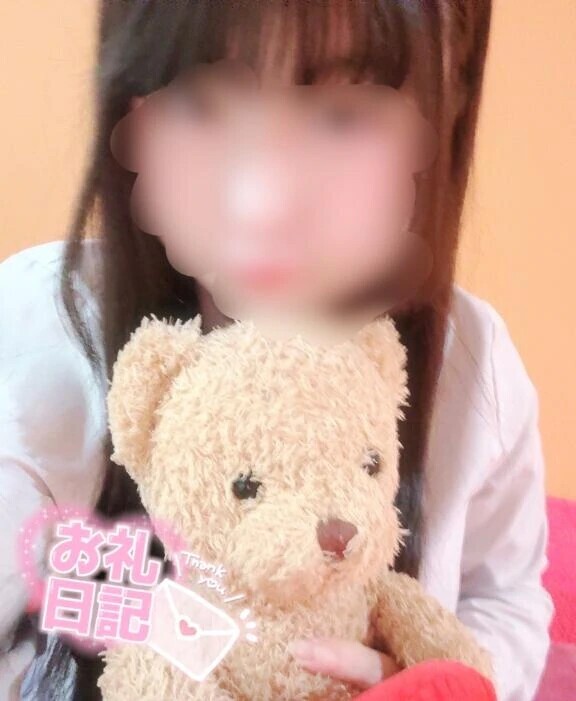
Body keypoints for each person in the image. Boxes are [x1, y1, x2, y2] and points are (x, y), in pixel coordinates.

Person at [0, 2, 553, 700]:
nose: (264, 202)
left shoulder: (472, 359)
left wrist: (430, 683)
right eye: (201, 105)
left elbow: (505, 595)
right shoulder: (39, 333)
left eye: (344, 117)